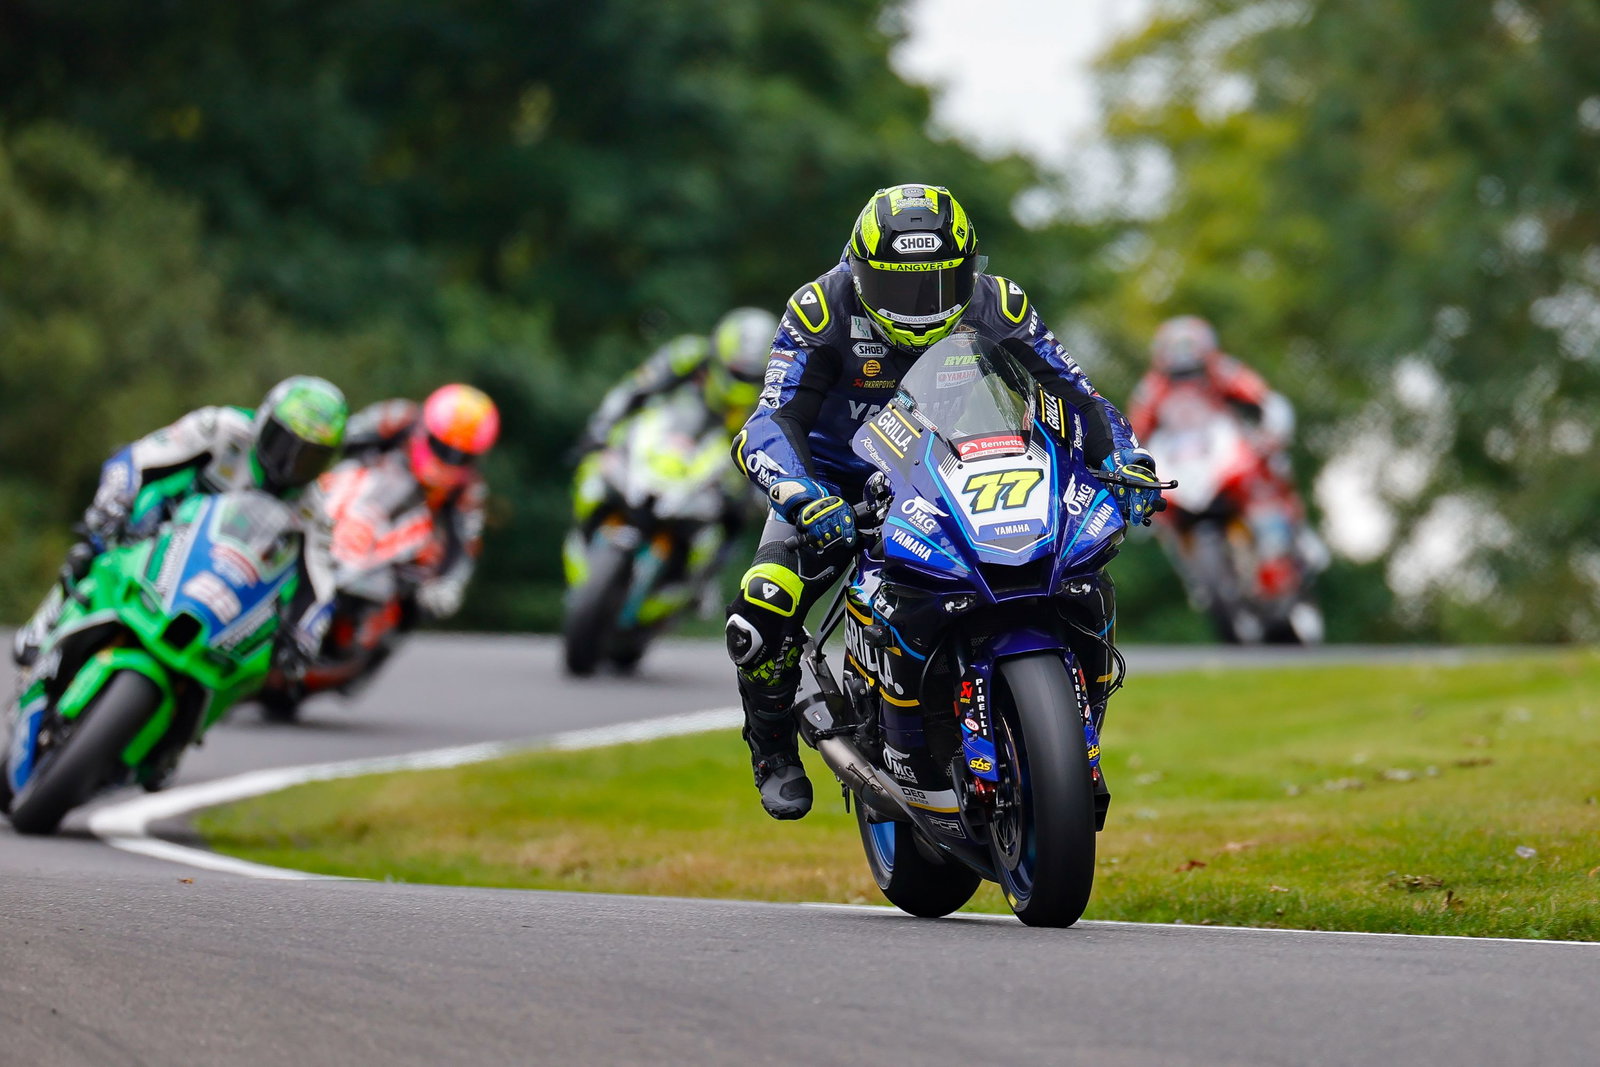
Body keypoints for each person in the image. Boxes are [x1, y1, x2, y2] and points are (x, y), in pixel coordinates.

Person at [725, 182, 1164, 819]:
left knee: (1080, 571)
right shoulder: (820, 309)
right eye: (899, 288)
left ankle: (1074, 737)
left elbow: (1074, 392)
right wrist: (803, 494)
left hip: (965, 464)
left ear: (968, 270)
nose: (922, 305)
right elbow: (769, 420)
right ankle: (770, 746)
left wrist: (1123, 456)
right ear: (860, 271)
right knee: (764, 604)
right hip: (839, 484)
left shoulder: (1000, 304)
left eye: (938, 284)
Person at [12, 376, 349, 669]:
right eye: (283, 443)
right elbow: (137, 458)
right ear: (264, 420)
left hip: (226, 580)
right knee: (99, 540)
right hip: (160, 530)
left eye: (309, 458)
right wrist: (113, 501)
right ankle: (51, 617)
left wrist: (306, 633)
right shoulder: (222, 428)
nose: (290, 465)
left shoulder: (313, 509)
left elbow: (320, 583)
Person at [565, 307, 780, 580]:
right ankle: (585, 527)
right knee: (593, 461)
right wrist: (601, 426)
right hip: (663, 437)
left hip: (719, 459)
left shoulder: (777, 389)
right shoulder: (689, 353)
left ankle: (706, 581)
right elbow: (635, 388)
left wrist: (762, 490)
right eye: (738, 373)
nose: (743, 382)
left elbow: (773, 443)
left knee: (740, 514)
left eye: (752, 377)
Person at [339, 383, 501, 622]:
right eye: (442, 447)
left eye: (461, 456)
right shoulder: (396, 417)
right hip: (357, 506)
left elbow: (466, 543)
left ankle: (380, 615)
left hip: (405, 544)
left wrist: (449, 585)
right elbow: (341, 440)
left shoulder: (470, 489)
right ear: (425, 428)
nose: (448, 460)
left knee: (432, 562)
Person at [1126, 315, 1295, 474]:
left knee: (1270, 469)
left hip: (1225, 450)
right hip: (1173, 461)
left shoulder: (1222, 370)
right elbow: (1135, 430)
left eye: (1194, 372)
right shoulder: (1152, 386)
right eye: (1179, 376)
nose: (1187, 383)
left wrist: (1269, 435)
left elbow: (1262, 399)